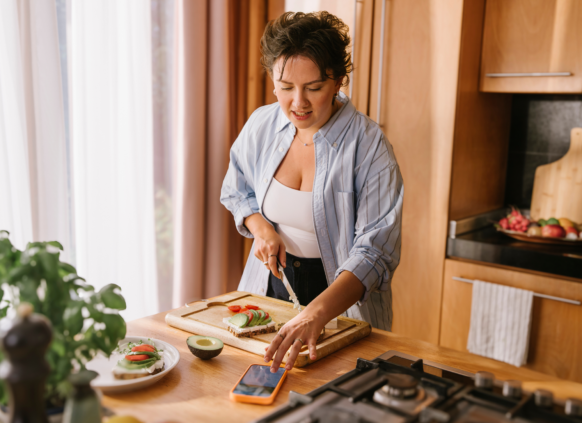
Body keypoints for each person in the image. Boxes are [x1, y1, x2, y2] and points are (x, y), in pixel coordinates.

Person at [221, 11, 403, 372]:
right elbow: (237, 188)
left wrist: (314, 314)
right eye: (285, 86)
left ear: (338, 81)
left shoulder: (369, 147)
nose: (298, 103)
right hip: (268, 292)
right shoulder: (262, 124)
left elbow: (374, 253)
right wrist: (262, 229)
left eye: (314, 88)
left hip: (341, 305)